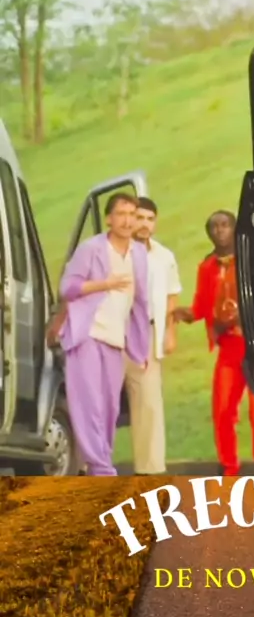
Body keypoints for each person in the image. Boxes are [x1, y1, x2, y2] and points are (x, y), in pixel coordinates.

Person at [174, 210, 254, 477]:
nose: (220, 230)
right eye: (214, 227)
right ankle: (228, 465)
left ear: (235, 229)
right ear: (209, 233)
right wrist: (180, 313)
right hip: (229, 348)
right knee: (222, 409)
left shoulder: (250, 260)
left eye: (225, 225)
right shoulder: (207, 267)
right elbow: (201, 305)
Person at [59, 192, 150, 476]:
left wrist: (140, 346)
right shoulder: (92, 249)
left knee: (110, 409)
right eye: (121, 214)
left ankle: (100, 465)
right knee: (89, 405)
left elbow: (140, 301)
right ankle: (102, 470)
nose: (127, 220)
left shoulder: (138, 254)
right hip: (87, 335)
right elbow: (67, 288)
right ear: (109, 219)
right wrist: (105, 284)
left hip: (114, 339)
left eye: (132, 215)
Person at [125, 196, 182, 475]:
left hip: (147, 334)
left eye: (150, 219)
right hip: (115, 333)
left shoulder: (164, 256)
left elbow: (172, 295)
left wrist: (170, 332)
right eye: (139, 218)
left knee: (148, 403)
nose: (144, 224)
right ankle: (91, 468)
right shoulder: (114, 251)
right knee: (102, 402)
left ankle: (150, 471)